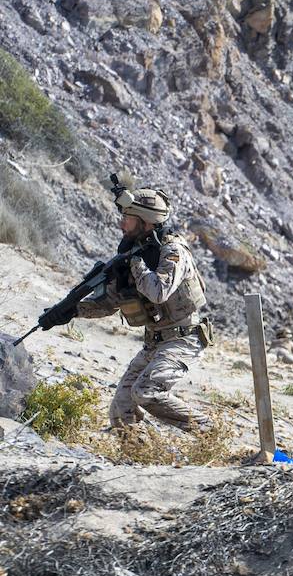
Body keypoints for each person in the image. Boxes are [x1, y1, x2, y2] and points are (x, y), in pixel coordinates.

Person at [75, 182, 211, 432]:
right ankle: (138, 456)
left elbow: (158, 292)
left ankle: (209, 431)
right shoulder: (136, 252)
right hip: (155, 341)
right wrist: (73, 310)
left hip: (183, 339)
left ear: (146, 221)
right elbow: (109, 304)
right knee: (120, 410)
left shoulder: (173, 251)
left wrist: (135, 264)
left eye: (127, 218)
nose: (121, 224)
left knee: (146, 392)